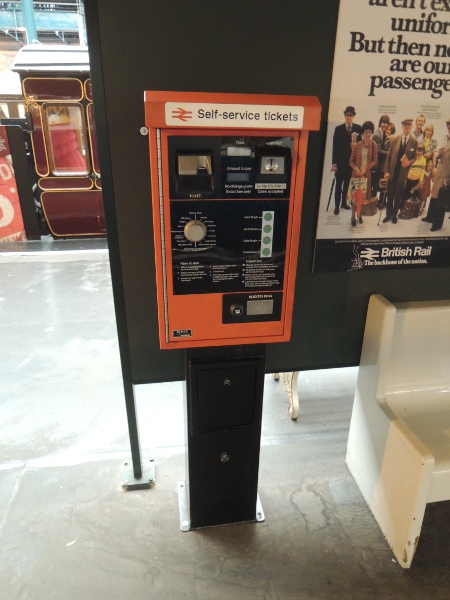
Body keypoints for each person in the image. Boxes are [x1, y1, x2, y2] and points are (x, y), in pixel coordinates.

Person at [383, 118, 418, 224]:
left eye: (409, 125)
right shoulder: (395, 138)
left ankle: (394, 215)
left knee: (398, 196)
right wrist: (386, 171)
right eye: (405, 125)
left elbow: (415, 157)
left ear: (411, 127)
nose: (407, 126)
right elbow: (388, 156)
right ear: (402, 127)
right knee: (390, 194)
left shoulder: (414, 141)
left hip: (402, 173)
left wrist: (409, 162)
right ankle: (388, 215)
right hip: (392, 172)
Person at [331, 106, 362, 215]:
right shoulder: (338, 129)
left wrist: (356, 146)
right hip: (340, 163)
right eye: (347, 115)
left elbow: (362, 146)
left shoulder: (358, 128)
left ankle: (344, 203)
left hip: (351, 163)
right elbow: (335, 147)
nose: (349, 117)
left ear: (353, 116)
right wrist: (334, 164)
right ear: (344, 116)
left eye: (351, 115)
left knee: (347, 185)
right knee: (338, 184)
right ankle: (336, 206)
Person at [421, 117, 450, 232]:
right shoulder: (445, 138)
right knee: (434, 196)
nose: (449, 127)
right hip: (440, 171)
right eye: (448, 125)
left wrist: (448, 179)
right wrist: (439, 154)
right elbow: (439, 156)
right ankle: (430, 217)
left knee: (440, 199)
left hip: (446, 174)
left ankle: (438, 223)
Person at [349, 121, 378, 226]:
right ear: (362, 133)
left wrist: (365, 169)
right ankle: (353, 217)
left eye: (370, 132)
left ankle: (359, 215)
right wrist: (357, 169)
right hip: (356, 175)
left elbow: (375, 161)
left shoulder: (374, 145)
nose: (368, 134)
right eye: (366, 132)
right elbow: (351, 161)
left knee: (363, 198)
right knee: (354, 198)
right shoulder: (357, 145)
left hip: (367, 176)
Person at [371, 114, 390, 196]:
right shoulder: (376, 134)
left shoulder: (382, 133)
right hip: (375, 164)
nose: (384, 125)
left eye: (386, 123)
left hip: (378, 164)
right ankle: (372, 204)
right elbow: (378, 151)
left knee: (376, 185)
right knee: (374, 185)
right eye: (383, 122)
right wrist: (390, 154)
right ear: (380, 123)